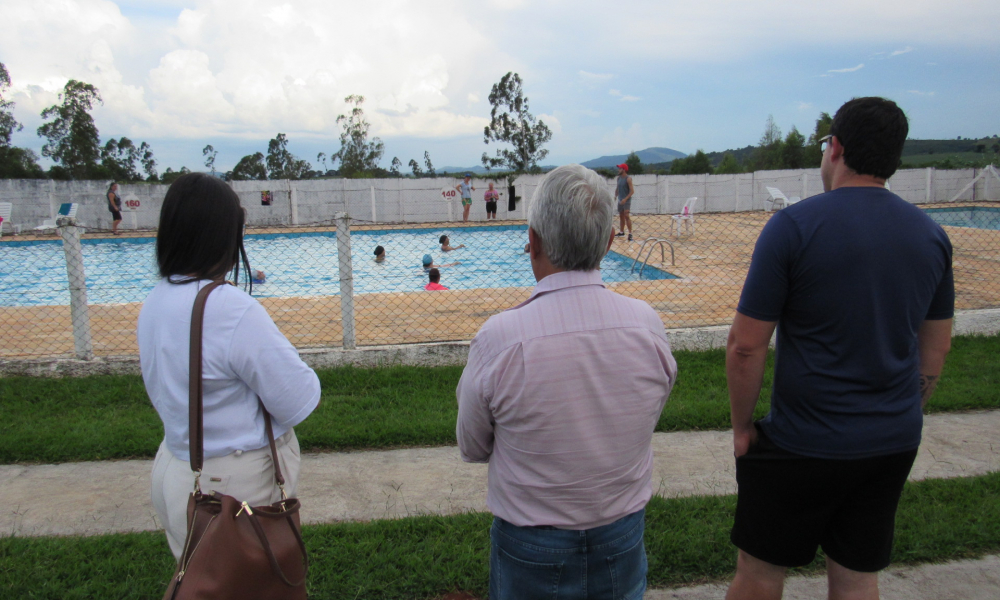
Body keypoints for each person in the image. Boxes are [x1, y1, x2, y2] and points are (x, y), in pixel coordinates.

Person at [725, 97, 954, 600]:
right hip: (891, 443)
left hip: (803, 442)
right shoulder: (932, 237)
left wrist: (743, 428)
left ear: (837, 149)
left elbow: (745, 346)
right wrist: (901, 412)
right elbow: (934, 351)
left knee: (760, 572)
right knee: (855, 577)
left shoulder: (794, 228)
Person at [457, 164, 677, 600]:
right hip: (623, 534)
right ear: (610, 243)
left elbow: (473, 445)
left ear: (533, 242)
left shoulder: (501, 340)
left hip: (531, 542)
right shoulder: (647, 328)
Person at [138, 173, 321, 561]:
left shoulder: (157, 299)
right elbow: (297, 400)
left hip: (176, 468)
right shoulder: (229, 309)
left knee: (200, 581)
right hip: (233, 486)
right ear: (222, 236)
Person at [614, 163, 634, 241]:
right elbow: (617, 188)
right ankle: (621, 232)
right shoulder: (618, 178)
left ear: (624, 169)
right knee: (621, 216)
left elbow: (632, 191)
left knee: (626, 216)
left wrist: (625, 199)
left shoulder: (628, 178)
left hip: (626, 200)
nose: (618, 170)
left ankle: (630, 233)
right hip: (620, 200)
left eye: (620, 168)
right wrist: (615, 196)